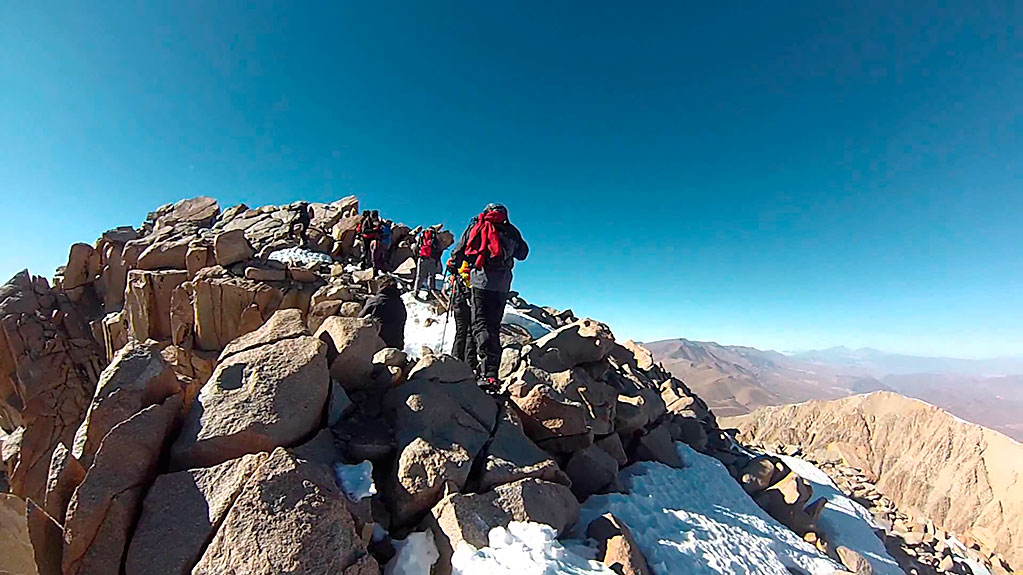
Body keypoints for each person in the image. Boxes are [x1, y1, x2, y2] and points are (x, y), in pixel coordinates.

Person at [453, 203, 528, 387]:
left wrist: (454, 264)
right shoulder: (511, 230)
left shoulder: (477, 226)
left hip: (480, 281)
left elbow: (460, 250)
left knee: (480, 324)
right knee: (493, 326)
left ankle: (484, 372)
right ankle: (492, 372)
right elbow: (523, 253)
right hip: (502, 285)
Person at [444, 257, 477, 373]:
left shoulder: (456, 272)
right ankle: (469, 363)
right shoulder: (470, 273)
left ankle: (456, 358)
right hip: (468, 303)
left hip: (457, 303)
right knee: (470, 332)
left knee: (460, 332)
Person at [359, 275, 407, 350]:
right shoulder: (400, 303)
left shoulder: (375, 301)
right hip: (397, 344)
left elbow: (359, 319)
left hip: (380, 344)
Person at [413, 226, 442, 300]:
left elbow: (416, 248)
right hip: (431, 259)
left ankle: (416, 291)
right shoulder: (435, 238)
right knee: (431, 276)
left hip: (422, 258)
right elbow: (439, 249)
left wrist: (417, 256)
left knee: (419, 276)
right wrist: (436, 259)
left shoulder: (422, 236)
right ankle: (430, 293)